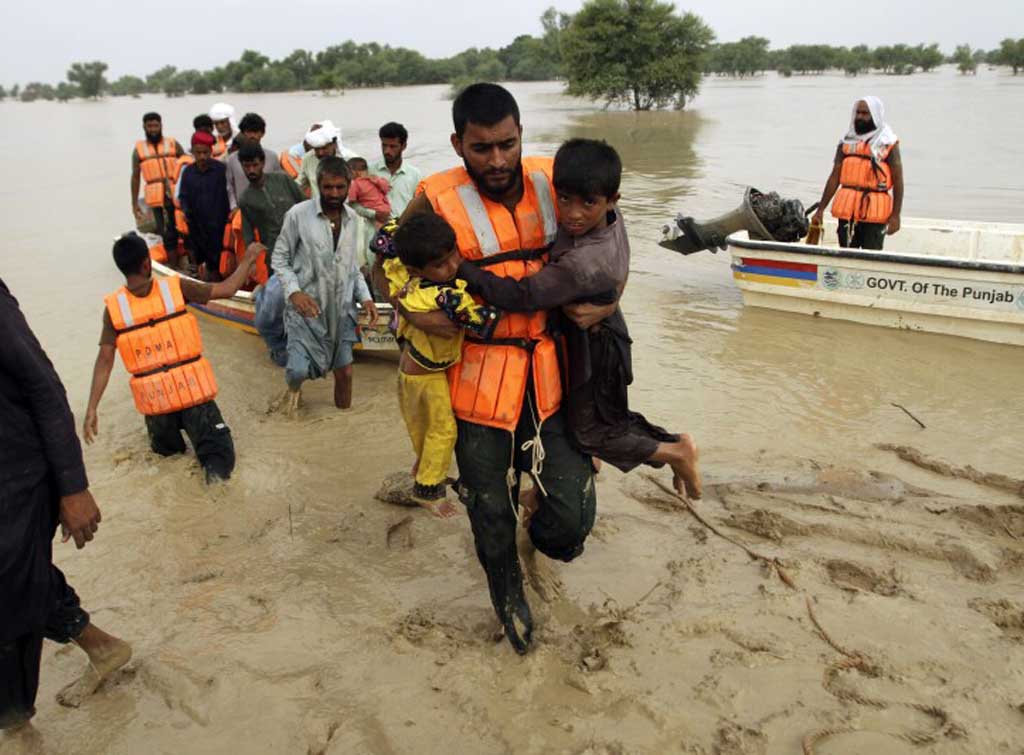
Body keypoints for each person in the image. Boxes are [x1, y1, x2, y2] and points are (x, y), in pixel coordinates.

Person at [374, 83, 604, 654]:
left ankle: (540, 519)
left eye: (507, 144)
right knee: (488, 514)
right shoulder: (433, 196)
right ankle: (508, 601)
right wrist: (410, 312)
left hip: (551, 374)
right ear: (458, 144)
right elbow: (382, 266)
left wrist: (612, 299)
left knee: (572, 523)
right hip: (476, 380)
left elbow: (612, 237)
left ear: (522, 132)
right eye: (482, 149)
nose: (498, 161)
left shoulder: (559, 180)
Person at [456, 138, 702, 503]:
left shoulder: (582, 262)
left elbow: (521, 296)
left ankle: (675, 452)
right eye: (565, 199)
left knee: (592, 431)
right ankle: (662, 448)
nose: (572, 214)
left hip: (598, 346)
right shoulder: (610, 220)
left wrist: (461, 267)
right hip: (601, 328)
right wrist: (613, 297)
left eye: (588, 203)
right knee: (601, 416)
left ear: (611, 200)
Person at [1, 280, 132, 732]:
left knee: (13, 585)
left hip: (16, 476)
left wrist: (72, 487)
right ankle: (98, 646)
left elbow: (45, 389)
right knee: (18, 580)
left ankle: (16, 724)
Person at [84, 233, 255, 484]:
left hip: (158, 408)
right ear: (146, 264)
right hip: (193, 396)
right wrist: (249, 259)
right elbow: (227, 289)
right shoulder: (176, 286)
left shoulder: (114, 309)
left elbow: (105, 360)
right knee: (219, 464)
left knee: (169, 465)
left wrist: (92, 408)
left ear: (121, 267)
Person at [385, 214, 499, 517]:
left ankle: (424, 468)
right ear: (417, 269)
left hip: (414, 372)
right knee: (443, 430)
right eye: (440, 265)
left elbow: (385, 244)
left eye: (454, 256)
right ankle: (427, 490)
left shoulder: (408, 282)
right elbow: (483, 324)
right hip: (426, 375)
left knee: (423, 426)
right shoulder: (443, 296)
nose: (451, 267)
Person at [272, 156, 379, 411]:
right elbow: (280, 258)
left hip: (341, 310)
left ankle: (345, 425)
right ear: (318, 185)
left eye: (340, 187)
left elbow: (351, 266)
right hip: (307, 308)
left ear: (348, 185)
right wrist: (294, 292)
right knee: (298, 371)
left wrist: (366, 298)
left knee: (346, 373)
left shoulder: (354, 219)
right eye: (328, 187)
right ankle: (292, 392)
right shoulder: (298, 215)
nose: (334, 193)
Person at [238, 141, 306, 365]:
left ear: (263, 163)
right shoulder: (246, 198)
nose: (251, 171)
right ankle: (279, 349)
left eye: (255, 165)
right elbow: (248, 235)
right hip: (276, 257)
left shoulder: (283, 180)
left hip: (304, 248)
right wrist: (250, 259)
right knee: (275, 308)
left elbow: (306, 207)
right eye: (246, 166)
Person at [811, 96, 903, 250]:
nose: (860, 116)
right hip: (848, 210)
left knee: (872, 256)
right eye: (858, 112)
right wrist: (821, 210)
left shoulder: (888, 142)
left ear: (875, 116)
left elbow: (898, 180)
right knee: (846, 253)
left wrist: (896, 215)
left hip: (875, 211)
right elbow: (835, 177)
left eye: (865, 113)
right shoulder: (846, 141)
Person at [131, 111, 184, 258]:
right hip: (157, 201)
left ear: (161, 125)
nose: (153, 129)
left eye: (156, 126)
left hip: (177, 195)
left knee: (185, 228)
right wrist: (134, 203)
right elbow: (135, 177)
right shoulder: (138, 151)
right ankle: (173, 263)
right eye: (150, 126)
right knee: (166, 233)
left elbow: (187, 165)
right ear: (144, 127)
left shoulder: (173, 144)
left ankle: (190, 262)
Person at [178, 131, 230, 281]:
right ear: (193, 152)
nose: (202, 157)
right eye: (198, 153)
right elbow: (183, 196)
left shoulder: (221, 170)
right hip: (197, 227)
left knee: (221, 261)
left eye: (205, 152)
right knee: (200, 258)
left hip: (219, 225)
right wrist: (186, 212)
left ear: (211, 151)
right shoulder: (188, 172)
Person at [226, 112, 282, 212]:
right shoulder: (232, 159)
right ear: (242, 133)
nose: (252, 136)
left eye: (256, 132)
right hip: (241, 210)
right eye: (249, 132)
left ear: (262, 133)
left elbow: (278, 184)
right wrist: (234, 207)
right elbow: (230, 186)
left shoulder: (272, 157)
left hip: (268, 210)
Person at [371, 121, 422, 218]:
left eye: (392, 146)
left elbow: (419, 209)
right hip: (374, 231)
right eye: (384, 145)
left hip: (403, 231)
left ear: (404, 146)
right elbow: (356, 204)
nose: (387, 151)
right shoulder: (370, 171)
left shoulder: (415, 176)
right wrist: (373, 214)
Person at [296, 121, 358, 199]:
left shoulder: (351, 160)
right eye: (316, 149)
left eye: (324, 148)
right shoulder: (307, 159)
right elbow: (299, 185)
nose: (320, 153)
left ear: (334, 143)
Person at [347, 157, 391, 227]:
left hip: (374, 211)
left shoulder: (354, 183)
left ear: (355, 172)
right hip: (385, 208)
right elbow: (386, 188)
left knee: (378, 229)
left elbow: (351, 200)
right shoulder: (374, 179)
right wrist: (377, 180)